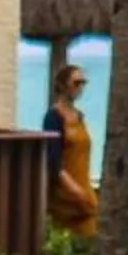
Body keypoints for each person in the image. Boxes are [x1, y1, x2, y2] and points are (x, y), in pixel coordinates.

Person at [45, 62, 98, 239]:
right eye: (76, 83)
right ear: (62, 85)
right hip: (66, 194)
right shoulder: (54, 117)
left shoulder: (79, 117)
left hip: (84, 191)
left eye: (83, 83)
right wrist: (74, 189)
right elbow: (53, 160)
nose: (80, 87)